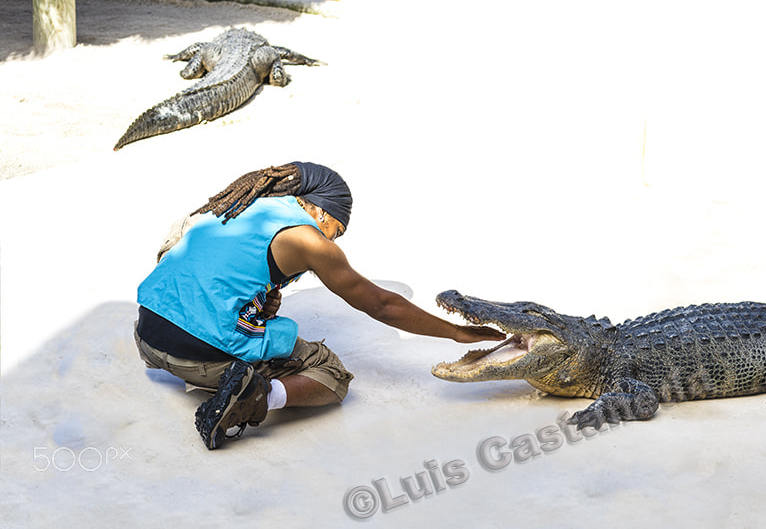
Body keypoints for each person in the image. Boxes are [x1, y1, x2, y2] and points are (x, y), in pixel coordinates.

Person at [134, 161, 504, 449]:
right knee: (331, 374)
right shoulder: (308, 239)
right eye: (338, 231)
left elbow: (190, 266)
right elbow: (380, 304)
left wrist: (259, 297)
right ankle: (256, 397)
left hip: (147, 337)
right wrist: (457, 333)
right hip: (196, 355)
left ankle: (224, 377)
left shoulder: (236, 206)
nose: (334, 239)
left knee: (247, 327)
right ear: (322, 213)